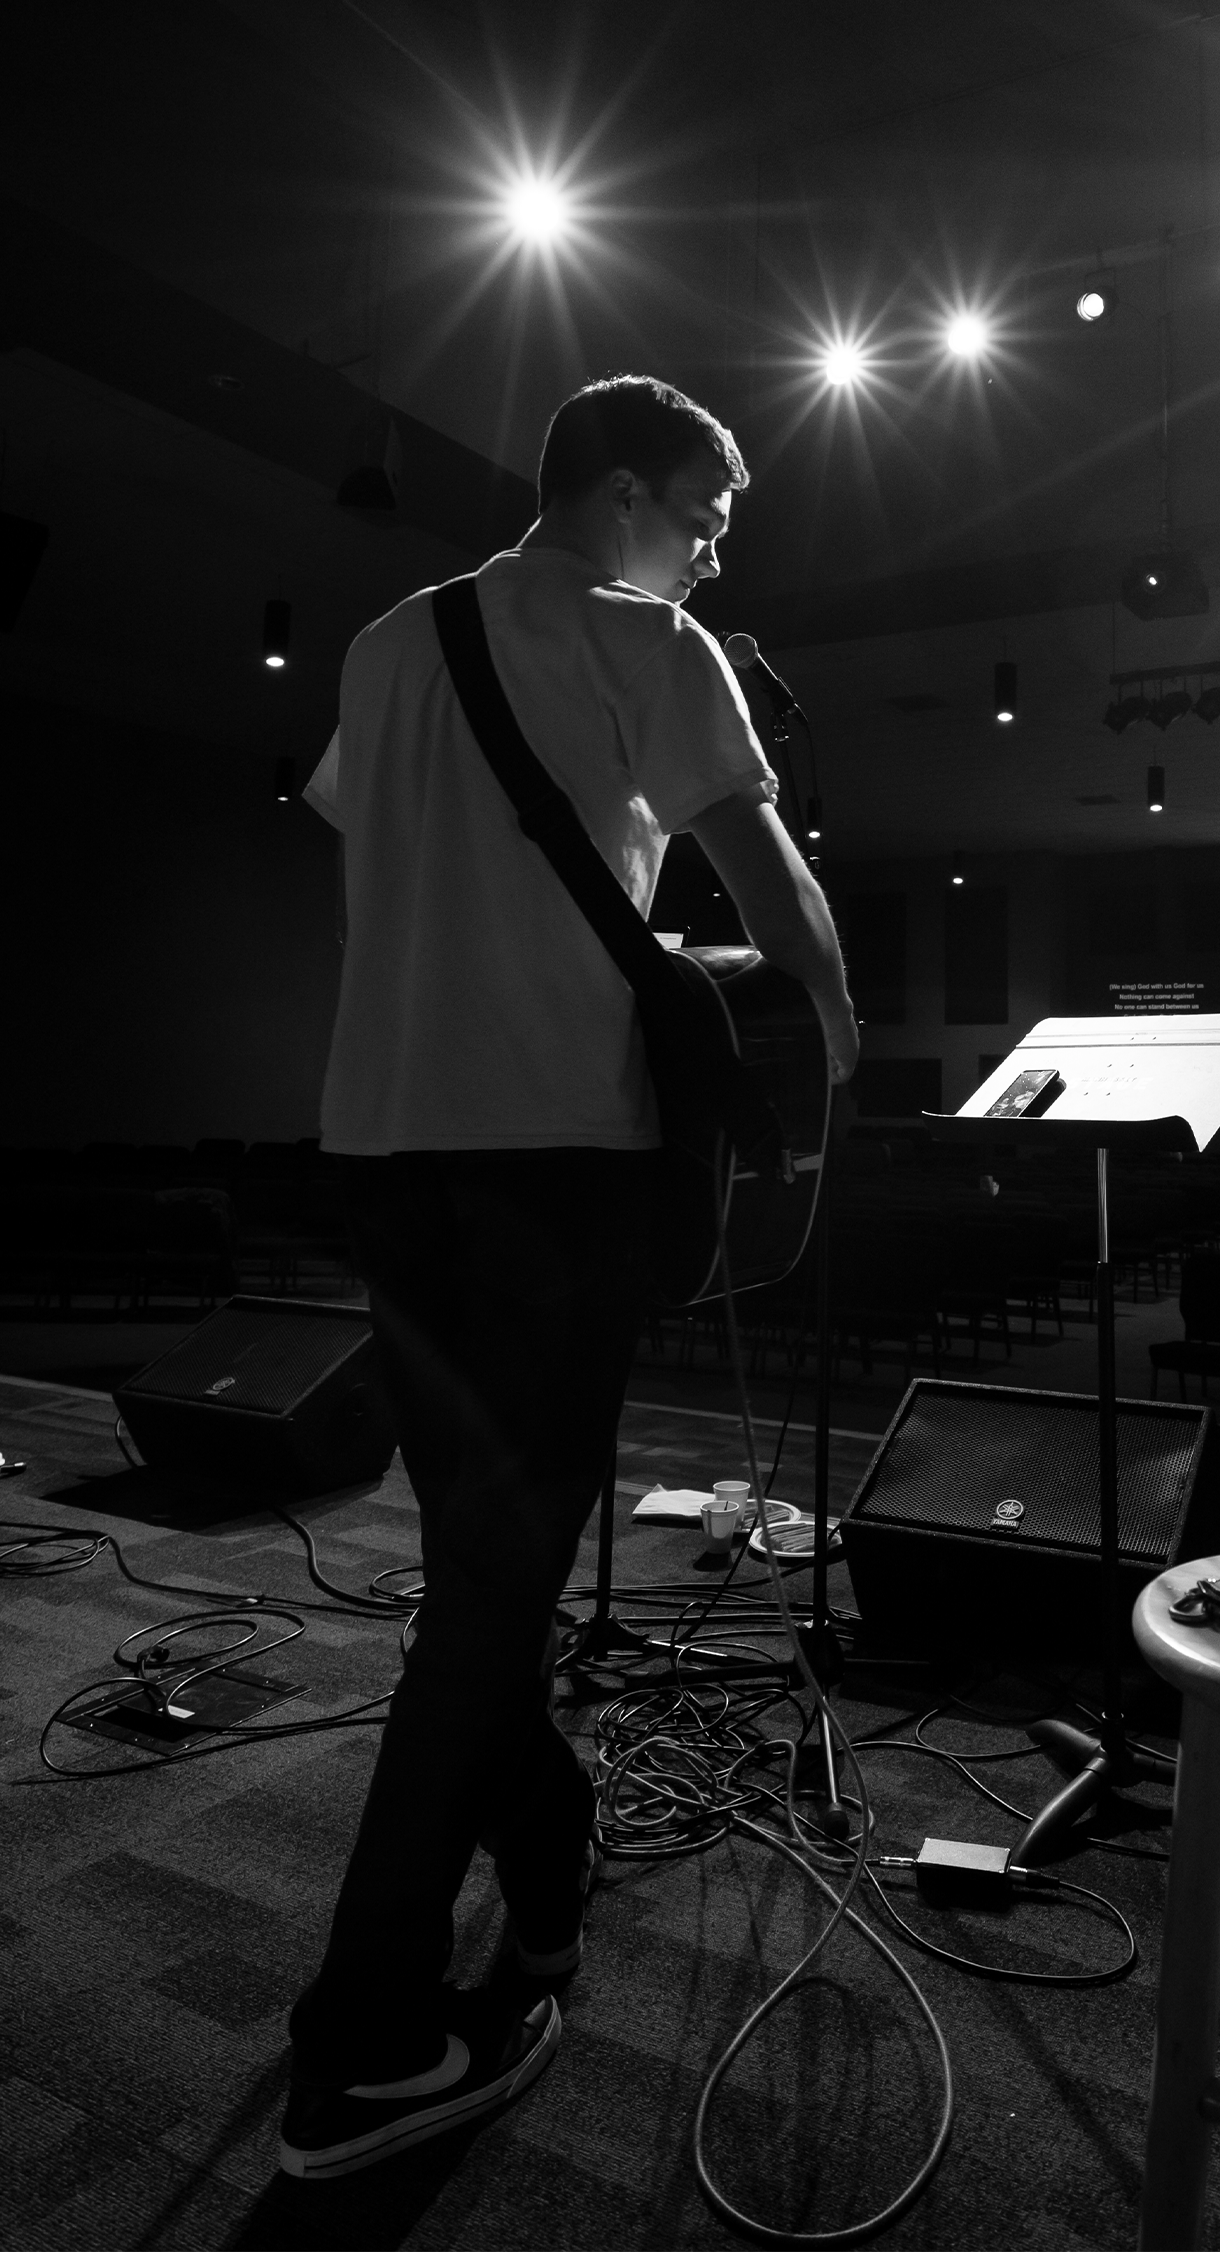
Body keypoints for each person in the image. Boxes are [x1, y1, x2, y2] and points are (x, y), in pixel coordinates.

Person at [282, 375, 859, 2181]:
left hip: (385, 1151)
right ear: (623, 495)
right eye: (708, 511)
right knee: (487, 1599)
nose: (714, 546)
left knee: (486, 1566)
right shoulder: (645, 636)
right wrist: (833, 1069)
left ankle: (546, 1867)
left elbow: (406, 870)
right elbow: (780, 907)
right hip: (551, 1167)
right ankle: (360, 2039)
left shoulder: (390, 644)